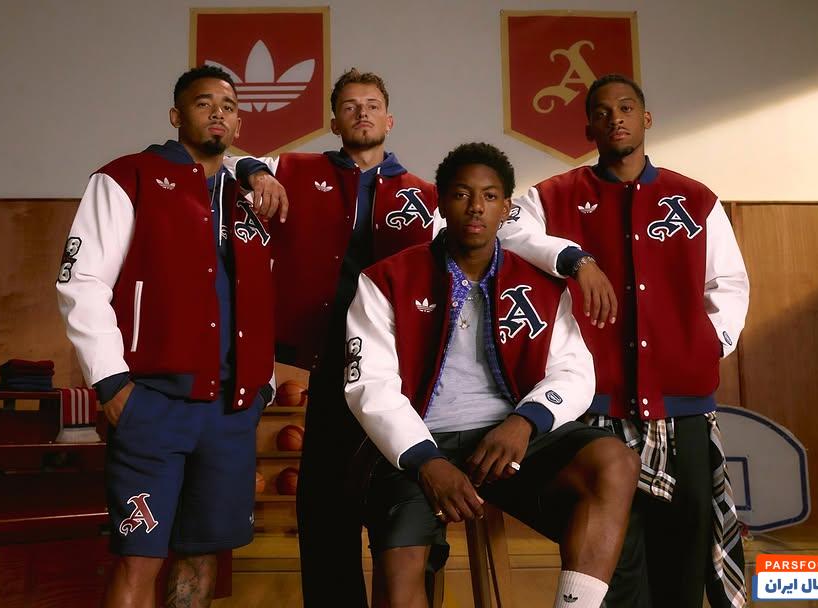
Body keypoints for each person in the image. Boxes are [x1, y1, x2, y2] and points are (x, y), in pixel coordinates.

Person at [344, 142, 640, 608]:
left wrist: (525, 422)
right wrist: (426, 462)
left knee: (614, 461)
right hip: (420, 442)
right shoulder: (385, 280)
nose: (476, 207)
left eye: (489, 196)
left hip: (509, 438)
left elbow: (574, 371)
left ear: (506, 208)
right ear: (441, 202)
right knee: (399, 579)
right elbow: (370, 385)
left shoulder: (541, 283)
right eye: (462, 194)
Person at [499, 74, 750, 607]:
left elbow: (728, 284)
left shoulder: (695, 198)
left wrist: (709, 345)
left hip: (682, 407)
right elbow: (506, 229)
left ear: (646, 119)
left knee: (684, 557)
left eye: (627, 108)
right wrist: (574, 258)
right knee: (613, 559)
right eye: (603, 111)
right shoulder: (555, 195)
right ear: (588, 128)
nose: (615, 118)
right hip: (598, 408)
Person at [56, 65, 284, 608]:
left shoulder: (250, 195)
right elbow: (81, 282)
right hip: (153, 404)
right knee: (139, 558)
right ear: (176, 116)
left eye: (228, 106)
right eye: (204, 104)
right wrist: (112, 385)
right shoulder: (127, 177)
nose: (218, 114)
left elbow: (262, 294)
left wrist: (264, 386)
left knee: (203, 556)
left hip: (231, 410)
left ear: (239, 122)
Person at [226, 68, 440, 606]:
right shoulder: (296, 170)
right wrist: (257, 173)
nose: (362, 113)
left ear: (390, 120)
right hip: (328, 362)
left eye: (372, 105)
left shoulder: (425, 195)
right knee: (325, 504)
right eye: (349, 106)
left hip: (402, 373)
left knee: (406, 502)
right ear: (334, 121)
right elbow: (227, 163)